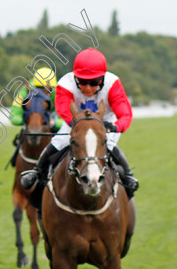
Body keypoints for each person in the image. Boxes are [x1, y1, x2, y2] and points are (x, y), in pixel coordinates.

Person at [20, 48, 139, 199]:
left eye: (94, 82)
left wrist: (116, 127)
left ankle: (128, 175)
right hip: (75, 121)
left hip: (106, 122)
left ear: (102, 78)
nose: (88, 88)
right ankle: (37, 171)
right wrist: (78, 124)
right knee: (59, 141)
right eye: (82, 82)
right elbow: (63, 109)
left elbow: (125, 114)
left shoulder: (113, 83)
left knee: (107, 144)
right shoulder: (65, 83)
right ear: (75, 78)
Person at [8, 67, 63, 167]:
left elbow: (66, 120)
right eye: (39, 88)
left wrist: (54, 122)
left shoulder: (57, 92)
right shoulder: (25, 90)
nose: (43, 92)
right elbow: (13, 117)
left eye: (46, 89)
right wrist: (28, 121)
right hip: (30, 128)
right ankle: (16, 157)